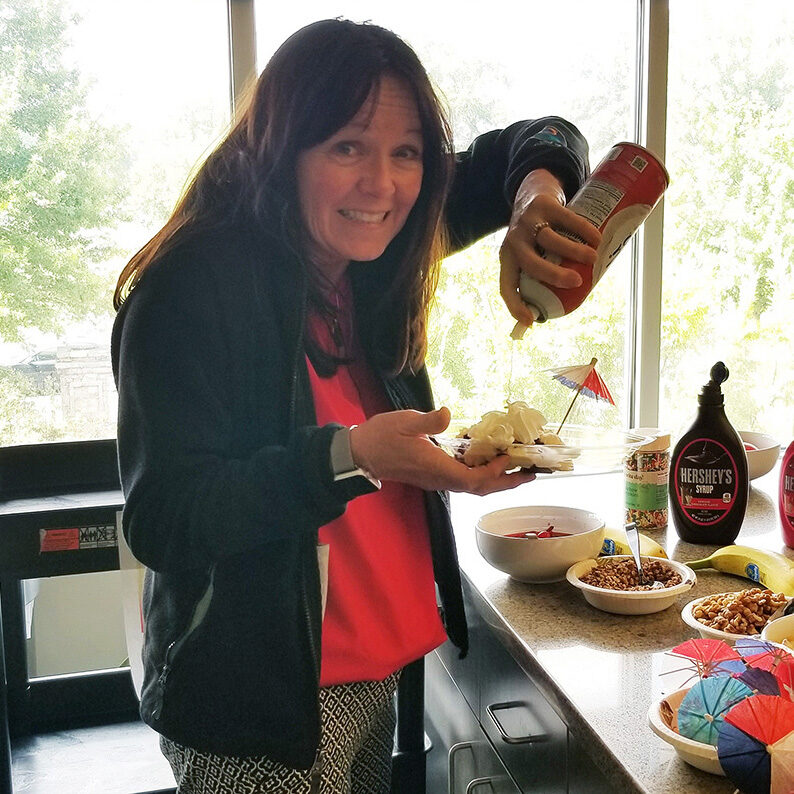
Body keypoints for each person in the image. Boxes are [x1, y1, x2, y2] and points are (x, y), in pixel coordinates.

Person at [111, 18, 601, 794]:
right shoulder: (192, 288)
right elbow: (165, 519)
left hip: (377, 668)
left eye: (406, 151)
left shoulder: (370, 252)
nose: (383, 183)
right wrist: (353, 455)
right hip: (263, 703)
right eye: (346, 145)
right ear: (281, 148)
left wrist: (534, 198)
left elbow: (540, 136)